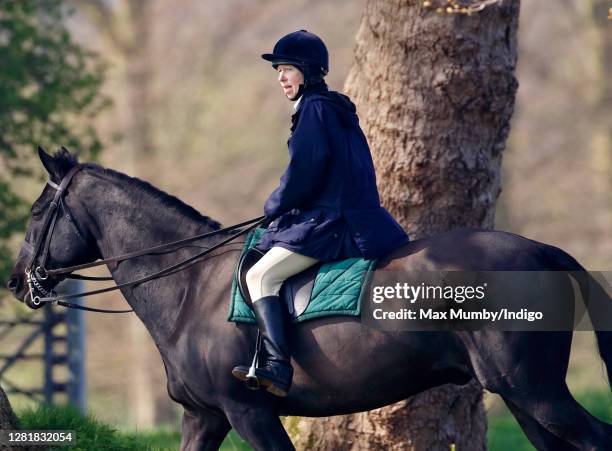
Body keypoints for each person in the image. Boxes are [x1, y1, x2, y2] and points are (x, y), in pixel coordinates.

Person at [232, 30, 409, 397]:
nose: (281, 77)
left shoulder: (314, 110)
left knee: (261, 276)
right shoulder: (331, 108)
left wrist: (274, 206)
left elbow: (304, 172)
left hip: (332, 222)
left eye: (287, 69)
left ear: (308, 72)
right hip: (345, 214)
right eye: (278, 70)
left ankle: (277, 367)